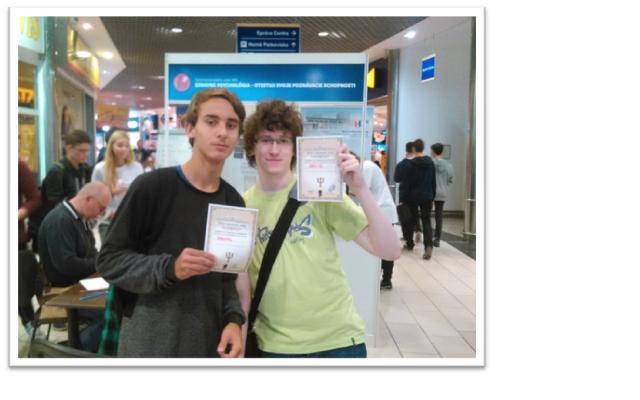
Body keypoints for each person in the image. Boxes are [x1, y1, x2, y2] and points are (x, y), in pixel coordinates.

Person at [238, 99, 401, 358]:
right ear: (251, 146)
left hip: (338, 341)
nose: (274, 149)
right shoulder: (244, 207)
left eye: (283, 140)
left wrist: (360, 188)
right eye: (266, 139)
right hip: (277, 346)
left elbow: (390, 250)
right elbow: (242, 291)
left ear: (294, 148)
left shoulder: (319, 193)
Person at [96, 88, 246, 358]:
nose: (222, 132)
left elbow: (227, 279)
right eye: (211, 122)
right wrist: (170, 268)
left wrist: (234, 320)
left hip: (207, 344)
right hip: (149, 345)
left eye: (231, 125)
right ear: (190, 128)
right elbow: (109, 261)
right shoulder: (151, 187)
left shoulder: (233, 201)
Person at [37, 181, 111, 352]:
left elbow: (91, 252)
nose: (101, 214)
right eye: (101, 208)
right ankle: (75, 354)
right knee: (108, 314)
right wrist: (100, 264)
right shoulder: (60, 220)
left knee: (115, 303)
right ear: (89, 199)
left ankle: (86, 349)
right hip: (63, 290)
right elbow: (67, 265)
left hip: (78, 285)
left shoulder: (80, 218)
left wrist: (102, 262)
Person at [29, 129, 93, 253]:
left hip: (76, 223)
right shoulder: (57, 171)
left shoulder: (86, 169)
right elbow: (56, 204)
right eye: (81, 151)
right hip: (53, 226)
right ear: (69, 148)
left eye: (87, 151)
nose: (85, 154)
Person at [351, 153, 399, 290]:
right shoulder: (367, 166)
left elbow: (359, 189)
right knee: (380, 246)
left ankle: (387, 279)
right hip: (379, 211)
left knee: (385, 246)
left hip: (383, 212)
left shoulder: (366, 167)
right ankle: (383, 278)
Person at [91, 130, 144, 241]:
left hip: (131, 221)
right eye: (120, 145)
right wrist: (112, 193)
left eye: (127, 146)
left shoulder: (137, 167)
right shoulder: (100, 168)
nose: (124, 149)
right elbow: (94, 198)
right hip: (108, 222)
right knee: (109, 251)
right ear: (111, 147)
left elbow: (142, 195)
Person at [18, 160, 41, 329]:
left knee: (21, 288)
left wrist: (19, 213)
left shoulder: (17, 166)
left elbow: (35, 198)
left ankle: (30, 324)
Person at [405, 139, 437, 260]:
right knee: (427, 221)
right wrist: (432, 197)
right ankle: (428, 246)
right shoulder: (430, 163)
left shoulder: (411, 164)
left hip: (414, 196)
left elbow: (408, 183)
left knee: (414, 218)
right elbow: (433, 182)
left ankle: (415, 233)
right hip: (427, 196)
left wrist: (407, 196)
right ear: (423, 148)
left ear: (413, 149)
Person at [394, 140, 418, 249]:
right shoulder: (417, 165)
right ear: (414, 150)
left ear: (406, 150)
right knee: (413, 216)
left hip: (404, 194)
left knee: (404, 218)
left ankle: (408, 239)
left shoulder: (401, 164)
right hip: (416, 195)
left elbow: (396, 179)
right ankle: (413, 234)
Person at [431, 143, 454, 247]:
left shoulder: (431, 163)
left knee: (426, 214)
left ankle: (428, 236)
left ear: (433, 151)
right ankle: (437, 239)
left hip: (431, 191)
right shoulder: (449, 165)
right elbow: (451, 179)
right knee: (439, 215)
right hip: (443, 192)